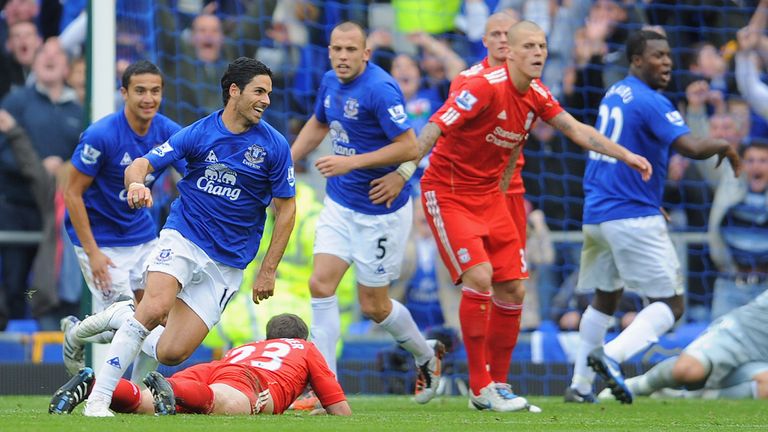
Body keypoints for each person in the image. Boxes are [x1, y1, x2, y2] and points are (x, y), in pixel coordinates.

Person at [372, 20, 652, 412]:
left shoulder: (536, 93)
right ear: (508, 52)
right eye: (530, 46)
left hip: (494, 196)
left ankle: (499, 384)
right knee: (480, 277)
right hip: (449, 193)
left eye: (542, 45)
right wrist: (404, 174)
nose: (538, 52)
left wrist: (625, 155)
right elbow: (435, 126)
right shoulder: (480, 86)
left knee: (515, 289)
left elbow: (574, 128)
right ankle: (478, 385)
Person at [76, 57, 296, 417]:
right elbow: (142, 164)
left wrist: (268, 269)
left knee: (171, 353)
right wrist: (135, 184)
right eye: (259, 91)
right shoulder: (198, 133)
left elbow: (286, 209)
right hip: (184, 236)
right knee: (156, 307)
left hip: (227, 262)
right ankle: (99, 398)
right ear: (234, 91)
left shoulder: (274, 146)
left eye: (269, 93)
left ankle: (122, 317)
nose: (266, 100)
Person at [565, 30, 741, 405]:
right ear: (636, 59)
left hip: (598, 212)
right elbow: (691, 147)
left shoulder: (616, 92)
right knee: (672, 304)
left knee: (605, 298)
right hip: (631, 214)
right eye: (658, 55)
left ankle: (579, 386)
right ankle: (611, 357)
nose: (667, 63)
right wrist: (724, 144)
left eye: (668, 56)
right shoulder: (652, 101)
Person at [289, 21, 443, 404]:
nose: (342, 57)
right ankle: (326, 388)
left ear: (365, 54)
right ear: (329, 51)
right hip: (341, 204)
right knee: (320, 284)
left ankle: (427, 354)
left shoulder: (379, 88)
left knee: (373, 306)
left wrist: (352, 163)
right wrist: (288, 161)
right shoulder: (328, 82)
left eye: (350, 50)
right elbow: (319, 123)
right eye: (336, 49)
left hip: (380, 211)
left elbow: (409, 146)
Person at [59, 60, 186, 378]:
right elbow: (71, 193)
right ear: (124, 93)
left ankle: (140, 391)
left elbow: (192, 176)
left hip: (142, 234)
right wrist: (93, 254)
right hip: (101, 241)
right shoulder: (101, 135)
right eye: (140, 91)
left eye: (155, 91)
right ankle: (75, 334)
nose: (148, 98)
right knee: (126, 318)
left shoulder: (168, 132)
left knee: (158, 313)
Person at [50, 313, 352, 416]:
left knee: (148, 403)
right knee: (227, 404)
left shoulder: (251, 345)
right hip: (247, 381)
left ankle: (92, 386)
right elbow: (341, 409)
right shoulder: (306, 348)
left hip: (213, 368)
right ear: (301, 337)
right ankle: (173, 389)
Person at [598, 290, 768, 401]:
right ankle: (638, 386)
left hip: (763, 357)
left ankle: (682, 398)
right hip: (741, 334)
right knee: (687, 370)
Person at [708, 141, 768, 319]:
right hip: (729, 286)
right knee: (716, 345)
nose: (756, 166)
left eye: (763, 160)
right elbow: (701, 152)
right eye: (750, 160)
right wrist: (695, 112)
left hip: (765, 290)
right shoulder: (728, 187)